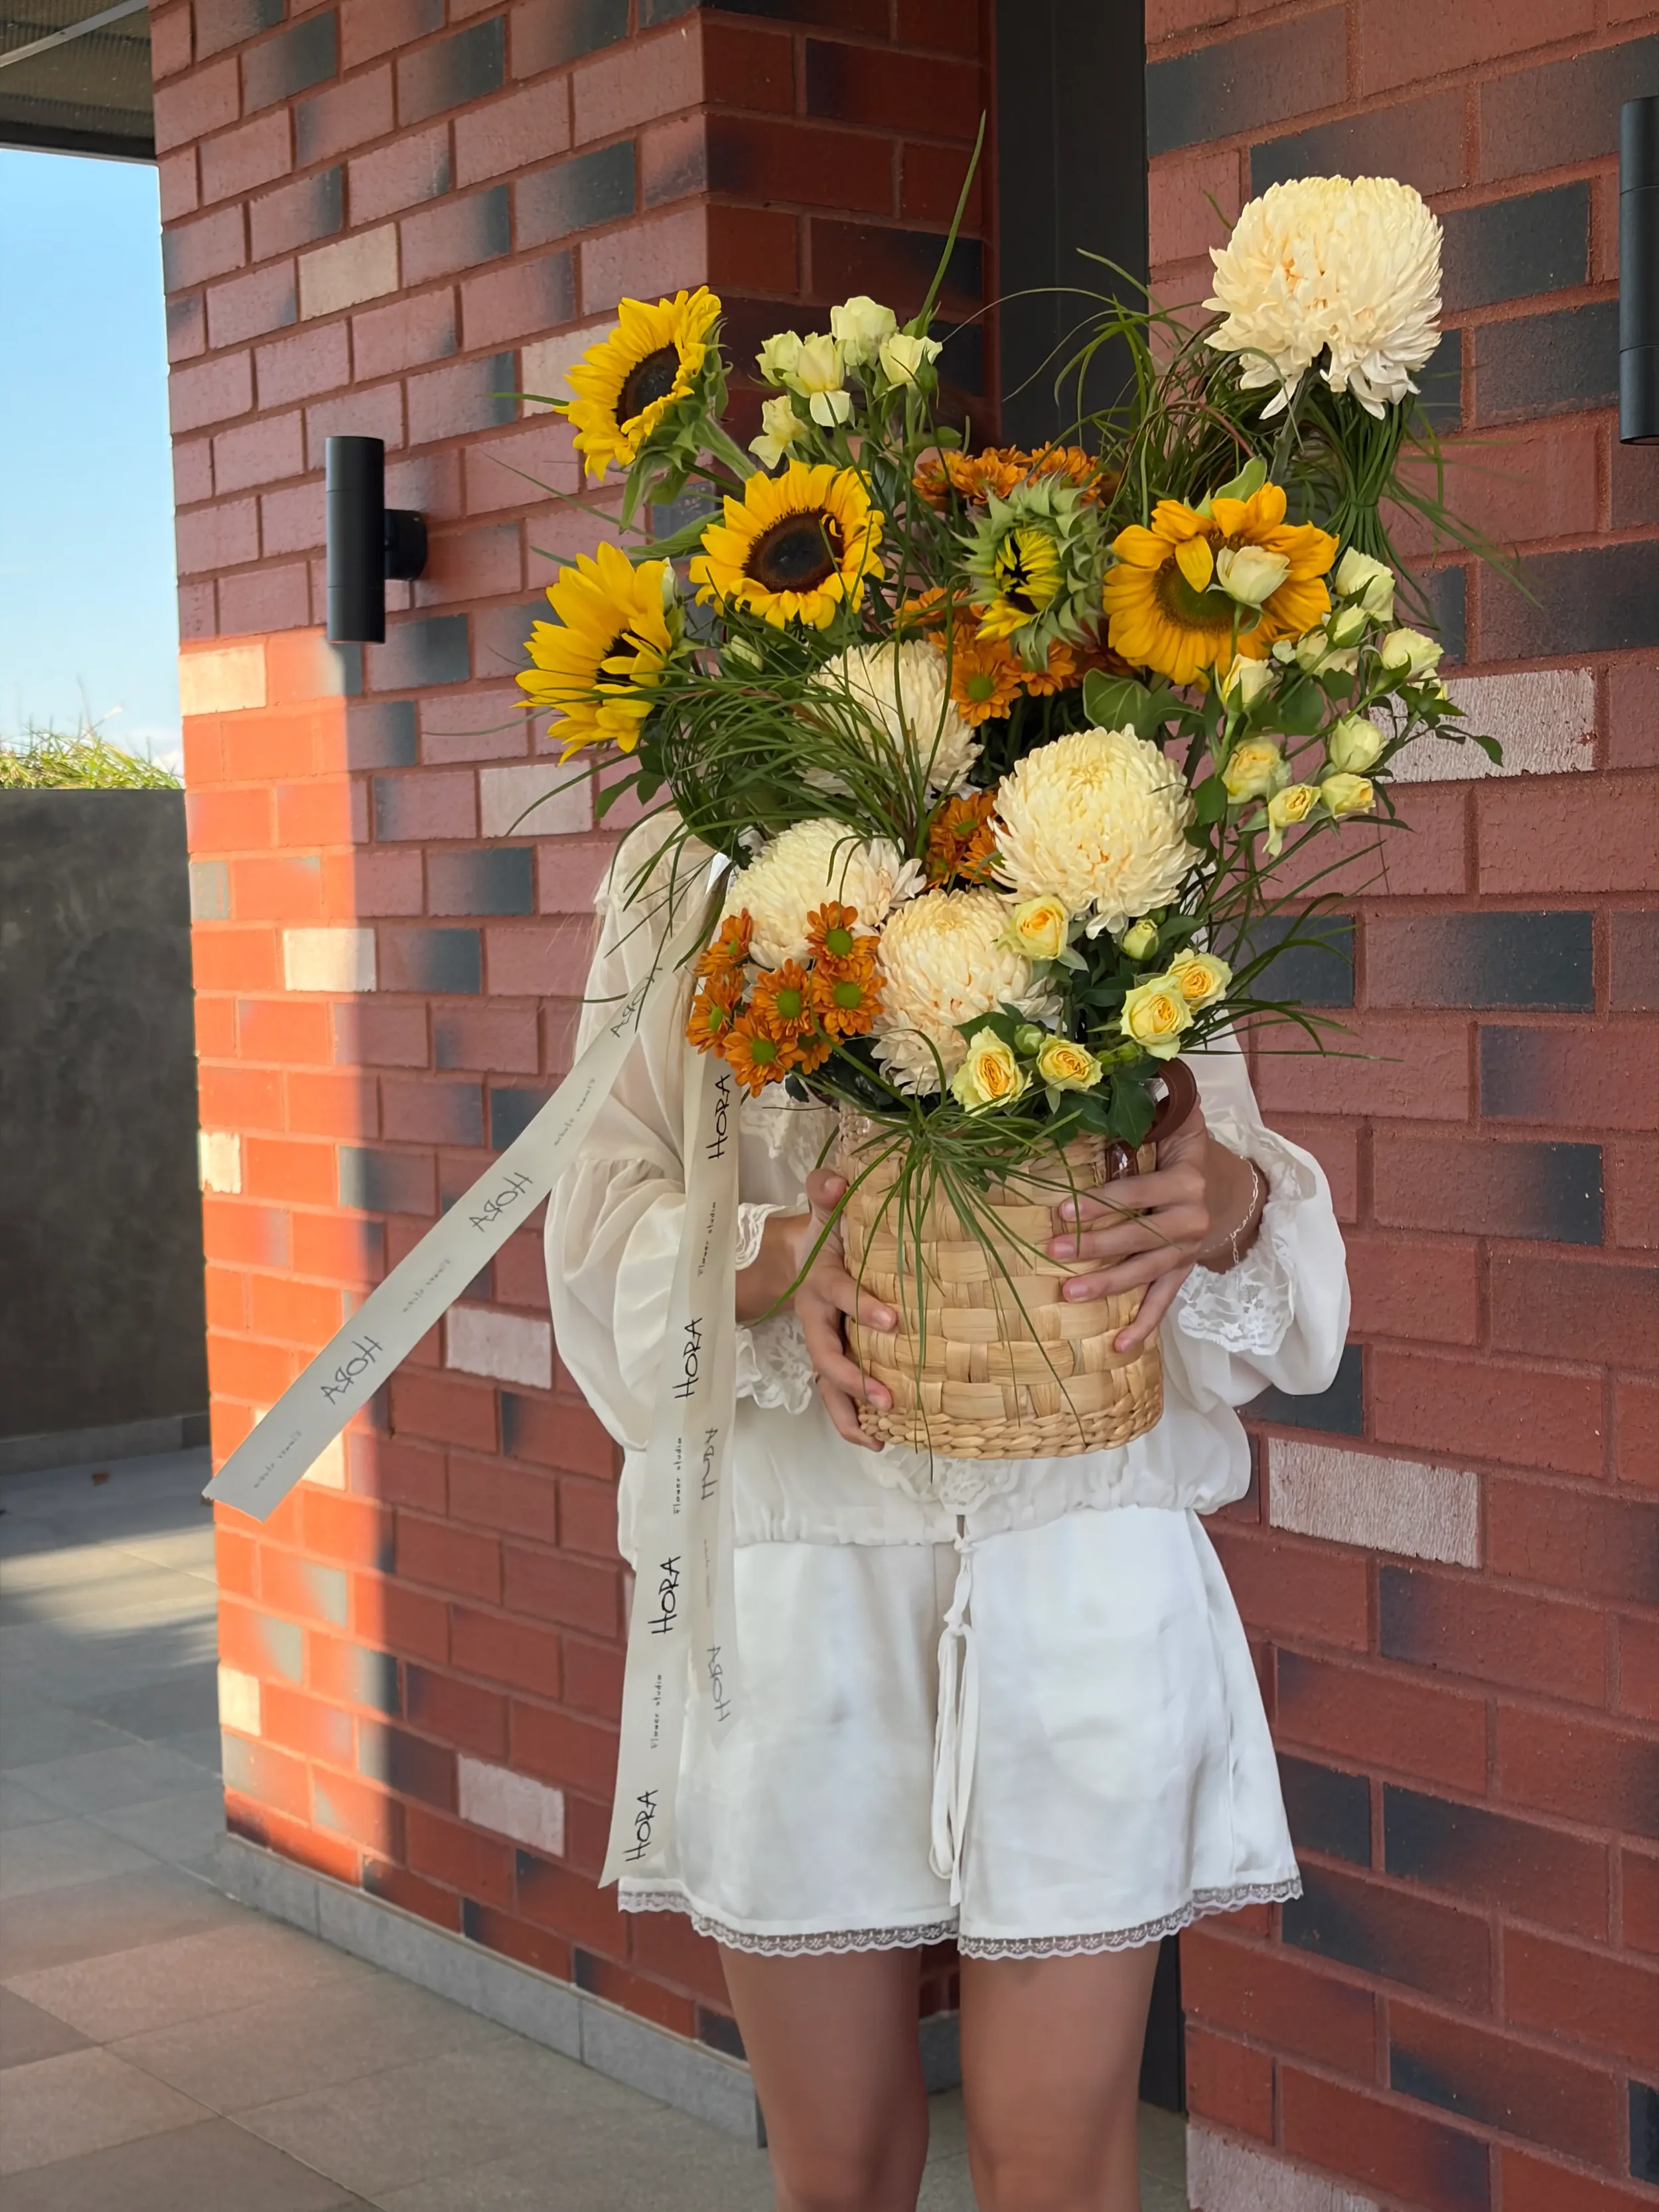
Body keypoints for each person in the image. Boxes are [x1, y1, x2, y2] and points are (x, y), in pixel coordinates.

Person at [548, 826, 1349, 2212]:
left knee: (1055, 2173)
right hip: (795, 1572)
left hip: (1074, 1553)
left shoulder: (1098, 801)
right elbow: (599, 1204)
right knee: (839, 2172)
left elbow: (1198, 1134)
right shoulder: (691, 853)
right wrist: (770, 1258)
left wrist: (1222, 1203)